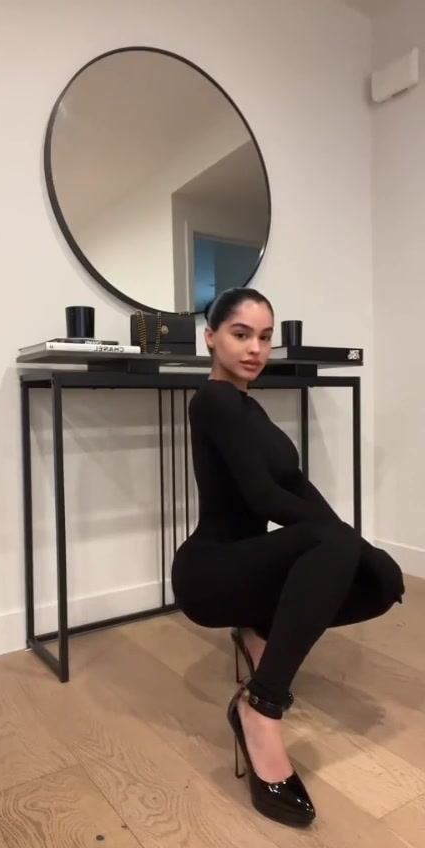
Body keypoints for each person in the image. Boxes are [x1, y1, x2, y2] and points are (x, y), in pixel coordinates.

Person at [171, 287, 404, 829]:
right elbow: (263, 499)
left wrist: (363, 551)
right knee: (334, 543)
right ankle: (259, 708)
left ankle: (259, 630)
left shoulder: (249, 408)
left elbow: (297, 487)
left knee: (370, 579)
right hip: (210, 571)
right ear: (211, 338)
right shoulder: (212, 401)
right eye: (241, 334)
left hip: (248, 564)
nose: (256, 348)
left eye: (264, 337)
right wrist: (347, 542)